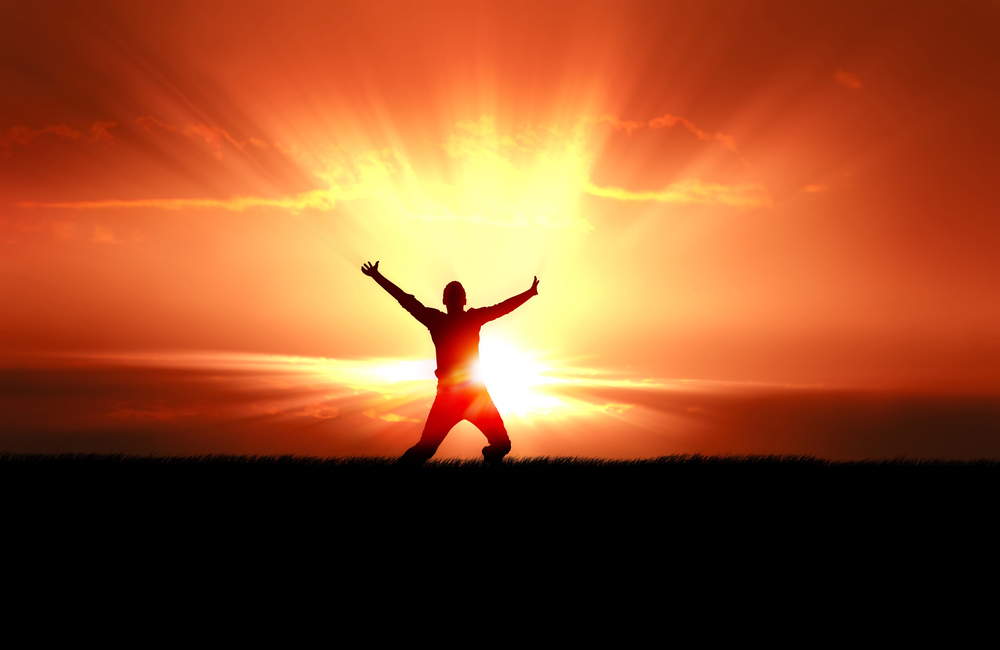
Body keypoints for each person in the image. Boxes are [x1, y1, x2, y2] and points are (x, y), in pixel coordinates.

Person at [361, 260, 539, 466]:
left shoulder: (444, 319)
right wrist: (529, 293)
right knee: (430, 447)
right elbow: (503, 308)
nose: (456, 299)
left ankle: (490, 459)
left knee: (497, 445)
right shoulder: (451, 319)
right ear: (457, 300)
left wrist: (377, 276)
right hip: (458, 396)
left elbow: (406, 300)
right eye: (454, 296)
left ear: (448, 300)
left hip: (470, 395)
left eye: (457, 296)